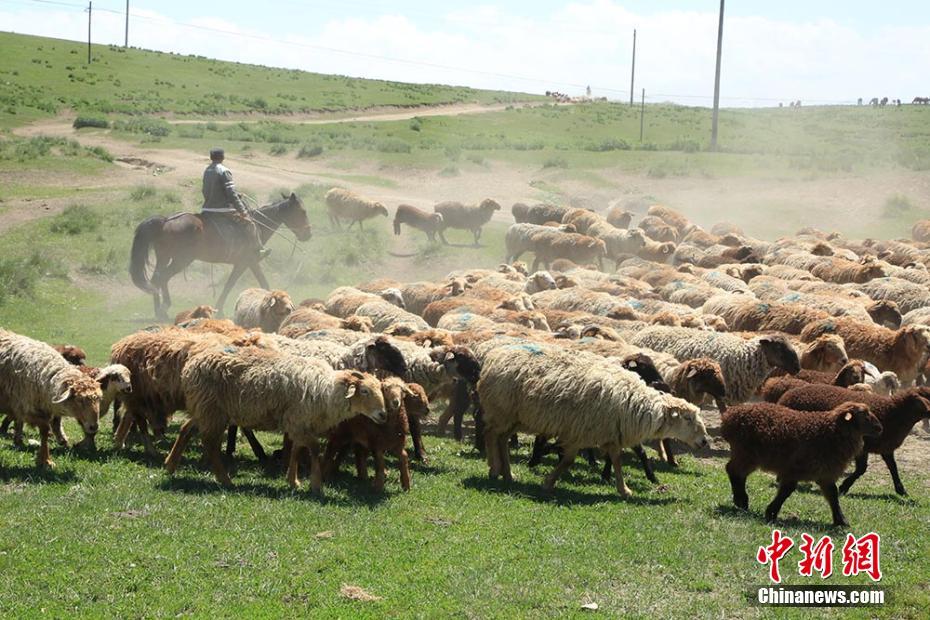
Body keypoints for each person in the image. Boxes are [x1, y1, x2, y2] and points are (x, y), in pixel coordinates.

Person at [201, 147, 268, 261]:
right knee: (251, 224)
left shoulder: (207, 170)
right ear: (223, 157)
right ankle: (259, 251)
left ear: (211, 157)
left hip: (207, 210)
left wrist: (235, 195)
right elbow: (231, 194)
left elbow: (205, 190)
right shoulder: (224, 171)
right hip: (222, 211)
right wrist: (243, 211)